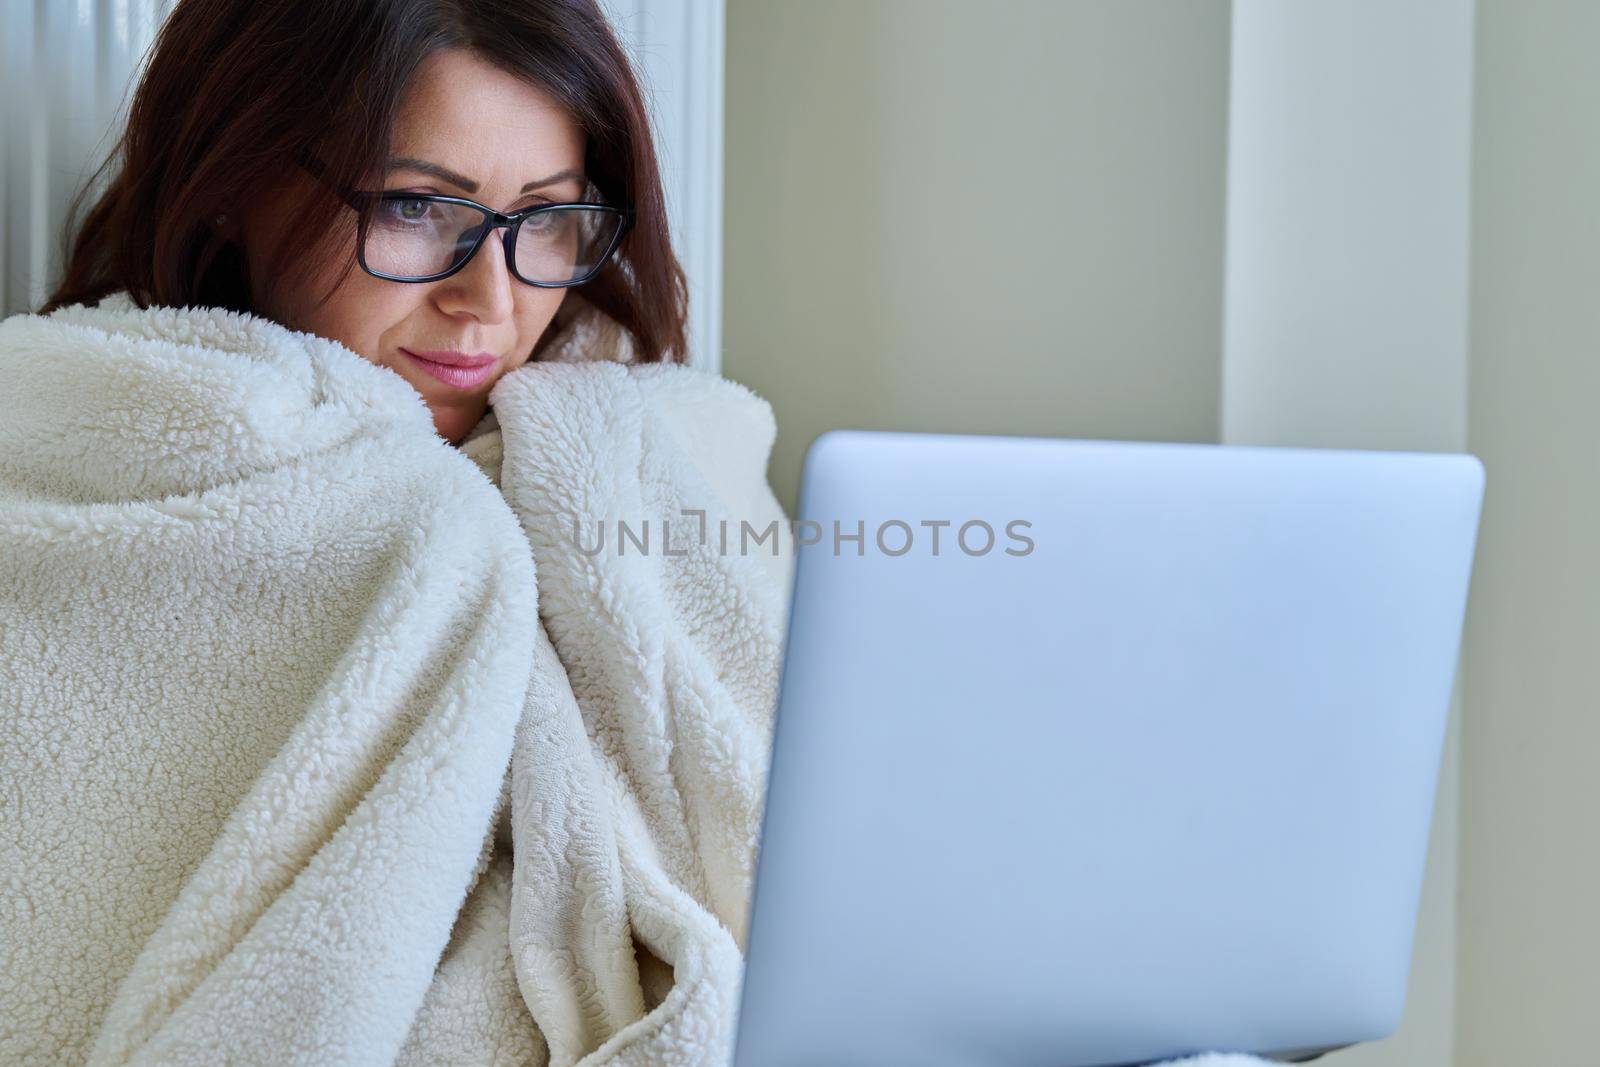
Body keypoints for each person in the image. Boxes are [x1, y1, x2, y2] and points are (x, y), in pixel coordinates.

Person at [1, 1, 793, 1063]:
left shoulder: (657, 463)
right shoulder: (85, 463)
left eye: (545, 217)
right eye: (420, 206)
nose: (490, 298)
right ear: (234, 179)